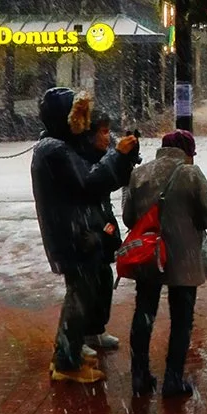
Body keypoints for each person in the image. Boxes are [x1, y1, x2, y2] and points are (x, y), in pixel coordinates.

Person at [31, 88, 139, 383]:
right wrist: (118, 156)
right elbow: (90, 182)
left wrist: (117, 158)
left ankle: (72, 350)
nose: (83, 123)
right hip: (74, 237)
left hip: (78, 234)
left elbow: (92, 174)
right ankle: (66, 361)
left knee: (84, 293)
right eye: (78, 116)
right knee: (79, 299)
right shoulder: (55, 150)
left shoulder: (57, 147)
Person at [122, 130, 207, 399]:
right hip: (184, 260)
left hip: (148, 256)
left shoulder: (139, 174)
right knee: (181, 321)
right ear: (188, 152)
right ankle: (173, 379)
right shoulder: (191, 174)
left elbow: (129, 218)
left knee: (143, 313)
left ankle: (140, 375)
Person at [75, 110, 124, 357]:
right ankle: (79, 335)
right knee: (86, 286)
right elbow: (94, 188)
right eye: (103, 132)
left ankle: (96, 329)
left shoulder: (100, 158)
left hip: (101, 228)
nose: (108, 137)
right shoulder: (83, 161)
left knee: (103, 280)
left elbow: (111, 185)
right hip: (87, 232)